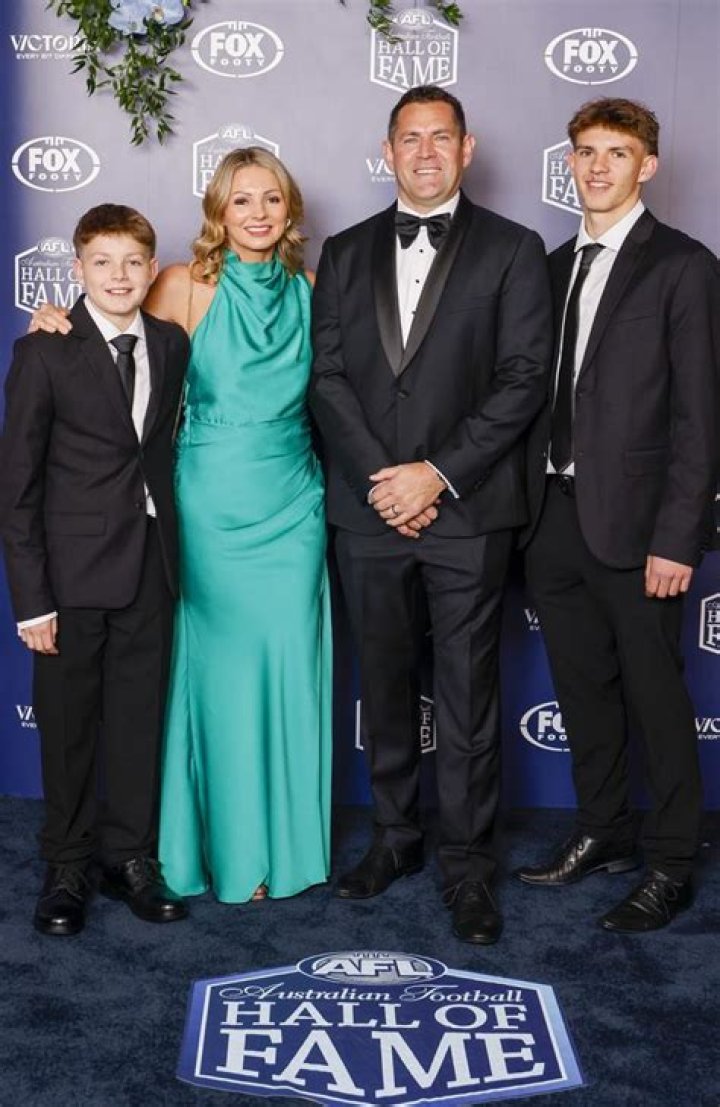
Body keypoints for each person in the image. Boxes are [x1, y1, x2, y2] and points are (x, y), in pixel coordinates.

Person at [26, 148, 332, 906]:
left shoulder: (310, 291)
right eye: (240, 199)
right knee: (218, 680)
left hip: (292, 506)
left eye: (270, 199)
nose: (257, 213)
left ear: (290, 210)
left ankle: (280, 850)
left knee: (286, 670)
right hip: (205, 510)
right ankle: (218, 849)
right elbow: (112, 357)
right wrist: (55, 324)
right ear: (217, 210)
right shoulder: (179, 285)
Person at [309, 85, 553, 944]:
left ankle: (468, 865)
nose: (424, 152)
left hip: (469, 512)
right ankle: (395, 838)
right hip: (369, 508)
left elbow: (524, 378)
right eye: (409, 138)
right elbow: (328, 376)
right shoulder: (343, 251)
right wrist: (387, 480)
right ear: (387, 152)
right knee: (383, 686)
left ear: (467, 147)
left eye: (439, 137)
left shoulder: (515, 249)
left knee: (467, 695)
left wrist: (436, 476)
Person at [516, 98, 720, 932]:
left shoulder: (684, 265)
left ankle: (671, 861)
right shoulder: (551, 265)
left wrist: (678, 535)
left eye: (618, 152)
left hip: (640, 530)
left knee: (656, 698)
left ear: (648, 166)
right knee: (583, 689)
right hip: (553, 516)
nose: (598, 166)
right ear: (569, 162)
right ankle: (603, 829)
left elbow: (701, 417)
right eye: (586, 151)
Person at [0, 204, 190, 936]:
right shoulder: (43, 351)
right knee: (70, 729)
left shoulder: (170, 343)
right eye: (103, 262)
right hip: (70, 578)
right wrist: (32, 599)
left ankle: (130, 856)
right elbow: (17, 485)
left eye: (133, 262)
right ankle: (67, 865)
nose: (119, 275)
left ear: (152, 268)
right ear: (77, 269)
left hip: (151, 566)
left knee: (139, 724)